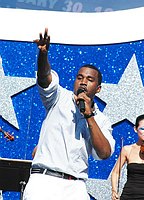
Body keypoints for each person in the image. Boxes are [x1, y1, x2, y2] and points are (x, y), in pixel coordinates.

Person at [23, 28, 115, 200]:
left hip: (75, 187)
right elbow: (45, 78)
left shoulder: (101, 120)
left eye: (89, 79)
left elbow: (104, 153)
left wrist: (89, 117)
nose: (83, 82)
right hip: (44, 181)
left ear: (99, 88)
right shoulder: (58, 97)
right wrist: (43, 55)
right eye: (79, 77)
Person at [111, 114, 144, 200]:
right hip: (129, 196)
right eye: (143, 128)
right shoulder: (127, 149)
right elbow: (115, 172)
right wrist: (114, 191)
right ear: (135, 129)